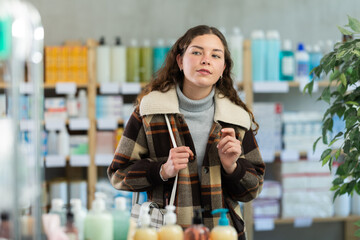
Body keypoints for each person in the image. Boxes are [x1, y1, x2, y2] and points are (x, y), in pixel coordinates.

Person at [107, 25, 265, 240]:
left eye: (215, 55)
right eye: (197, 52)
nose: (206, 60)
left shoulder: (236, 119)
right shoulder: (150, 111)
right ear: (180, 61)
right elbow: (118, 174)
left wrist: (232, 167)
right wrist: (162, 170)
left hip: (222, 233)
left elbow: (252, 190)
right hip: (166, 232)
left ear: (222, 68)